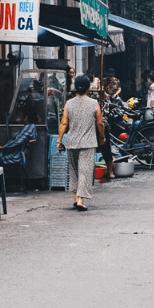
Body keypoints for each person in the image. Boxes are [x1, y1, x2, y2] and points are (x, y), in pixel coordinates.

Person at [57, 75, 106, 211]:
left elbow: (64, 123)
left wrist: (60, 140)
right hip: (88, 143)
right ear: (88, 87)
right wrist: (102, 137)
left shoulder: (69, 103)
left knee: (74, 171)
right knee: (85, 172)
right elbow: (100, 123)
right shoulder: (93, 103)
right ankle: (80, 199)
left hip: (72, 142)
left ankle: (75, 196)